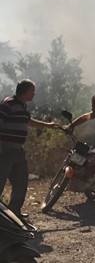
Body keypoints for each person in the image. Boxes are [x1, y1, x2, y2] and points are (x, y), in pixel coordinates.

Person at [0, 80, 61, 217]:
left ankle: (14, 213)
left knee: (21, 182)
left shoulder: (23, 106)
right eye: (32, 90)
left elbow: (28, 121)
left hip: (18, 151)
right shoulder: (7, 104)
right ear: (25, 91)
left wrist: (48, 125)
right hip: (5, 150)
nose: (34, 93)